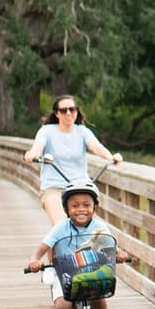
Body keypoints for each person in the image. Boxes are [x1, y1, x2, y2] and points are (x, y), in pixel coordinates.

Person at [25, 179, 130, 309]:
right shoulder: (61, 228)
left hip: (90, 272)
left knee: (99, 294)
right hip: (64, 273)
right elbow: (40, 250)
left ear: (94, 207)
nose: (81, 209)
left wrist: (120, 253)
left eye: (86, 205)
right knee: (62, 308)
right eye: (74, 205)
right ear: (66, 208)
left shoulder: (99, 227)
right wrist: (34, 261)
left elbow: (111, 246)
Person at [22, 94, 122, 226]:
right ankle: (59, 245)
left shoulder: (82, 131)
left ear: (76, 111)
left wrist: (111, 157)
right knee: (60, 225)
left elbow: (96, 147)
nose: (68, 113)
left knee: (90, 227)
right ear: (57, 114)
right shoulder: (46, 131)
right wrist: (32, 154)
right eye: (63, 110)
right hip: (54, 186)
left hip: (80, 185)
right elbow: (37, 148)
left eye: (72, 109)